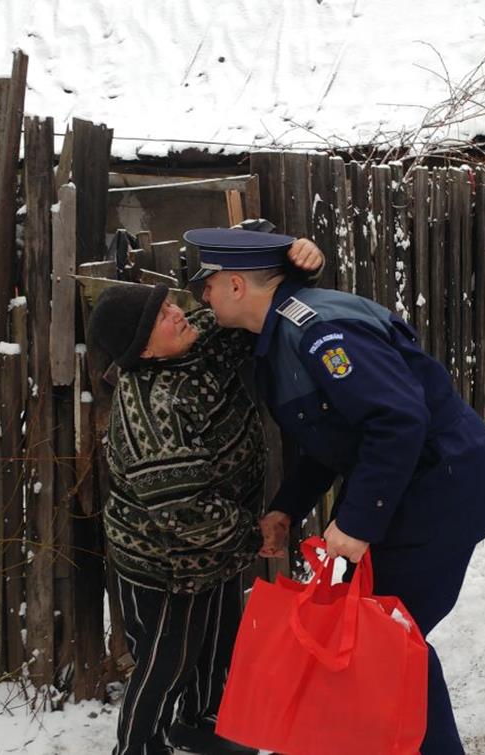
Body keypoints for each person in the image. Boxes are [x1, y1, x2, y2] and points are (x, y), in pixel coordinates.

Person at [189, 227, 485, 755]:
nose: (201, 295)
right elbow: (330, 435)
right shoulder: (285, 328)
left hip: (439, 489)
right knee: (371, 634)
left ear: (235, 285)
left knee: (384, 636)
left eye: (205, 284)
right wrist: (287, 508)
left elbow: (396, 421)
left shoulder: (316, 330)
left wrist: (356, 524)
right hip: (418, 487)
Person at [88, 236, 324, 755]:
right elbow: (184, 508)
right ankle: (139, 746)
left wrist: (300, 266)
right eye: (162, 316)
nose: (178, 312)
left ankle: (200, 722)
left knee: (216, 643)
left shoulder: (193, 344)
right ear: (143, 350)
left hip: (210, 551)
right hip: (167, 562)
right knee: (165, 662)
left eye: (170, 303)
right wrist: (251, 536)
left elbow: (249, 307)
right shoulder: (153, 409)